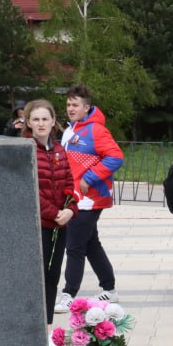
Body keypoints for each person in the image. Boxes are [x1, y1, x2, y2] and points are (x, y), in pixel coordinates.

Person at [56, 84, 124, 312]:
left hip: (89, 199)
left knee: (74, 246)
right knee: (91, 244)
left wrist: (90, 177)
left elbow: (116, 157)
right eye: (68, 104)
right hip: (76, 197)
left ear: (86, 108)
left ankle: (69, 294)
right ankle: (109, 289)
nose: (70, 108)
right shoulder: (70, 130)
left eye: (75, 105)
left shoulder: (96, 130)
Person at [24, 99, 75, 331]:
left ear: (53, 121)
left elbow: (69, 184)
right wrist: (54, 213)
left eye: (45, 119)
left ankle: (46, 327)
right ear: (28, 122)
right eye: (36, 119)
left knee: (53, 276)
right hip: (38, 226)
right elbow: (29, 189)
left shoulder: (60, 150)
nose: (41, 123)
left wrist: (70, 210)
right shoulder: (25, 150)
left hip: (60, 224)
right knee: (37, 278)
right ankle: (33, 329)